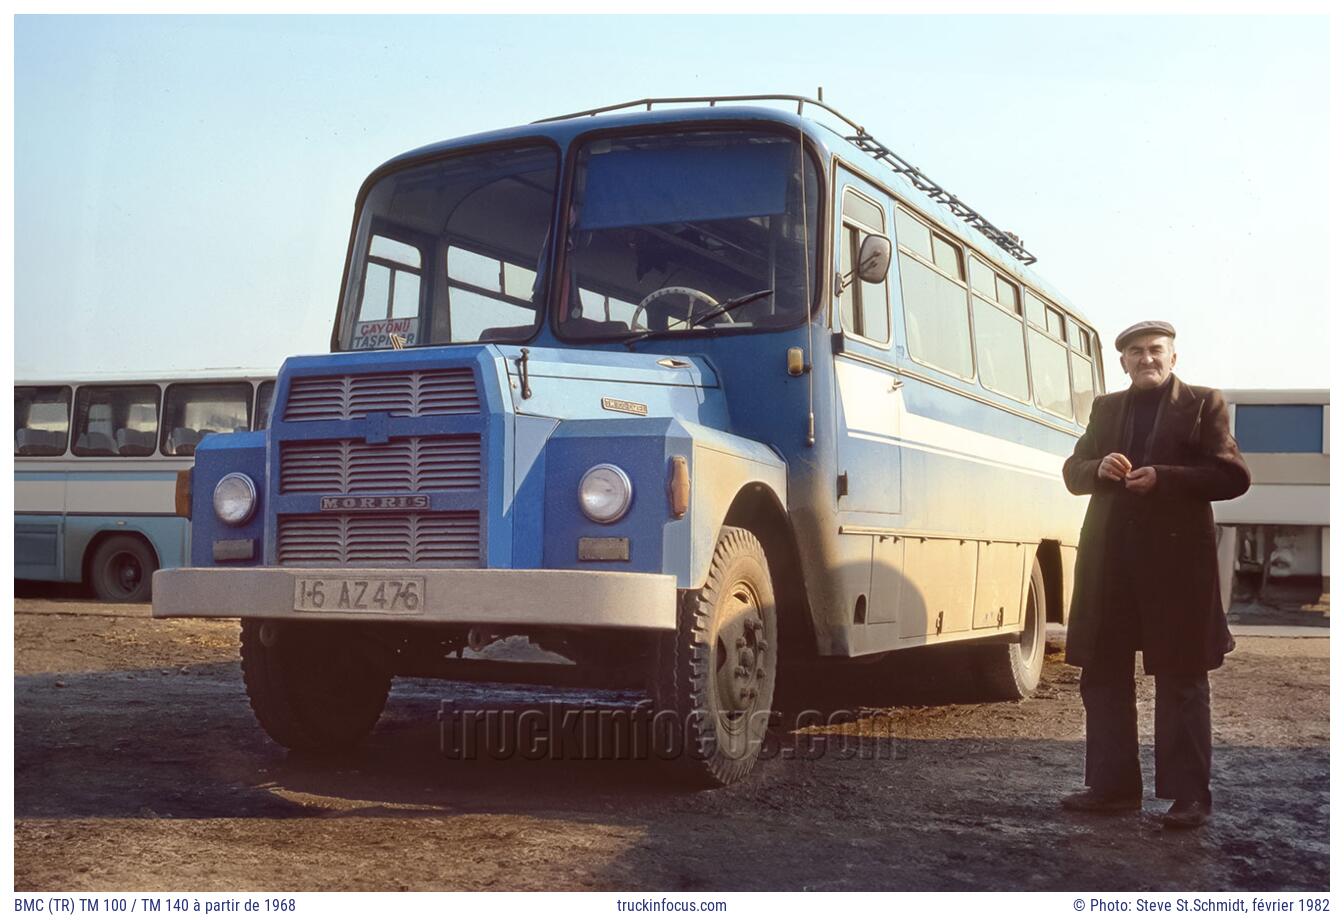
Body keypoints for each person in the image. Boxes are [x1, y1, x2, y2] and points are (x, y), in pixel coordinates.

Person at [1059, 321, 1250, 830]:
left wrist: (1165, 479)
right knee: (1101, 674)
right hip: (1110, 566)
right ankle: (1112, 789)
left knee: (1182, 677)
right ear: (1122, 362)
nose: (1147, 359)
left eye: (1155, 351)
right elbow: (1072, 470)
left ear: (1173, 357)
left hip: (1176, 571)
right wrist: (1096, 467)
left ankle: (1190, 798)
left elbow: (1233, 476)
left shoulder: (1204, 402)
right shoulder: (1106, 408)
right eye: (1136, 352)